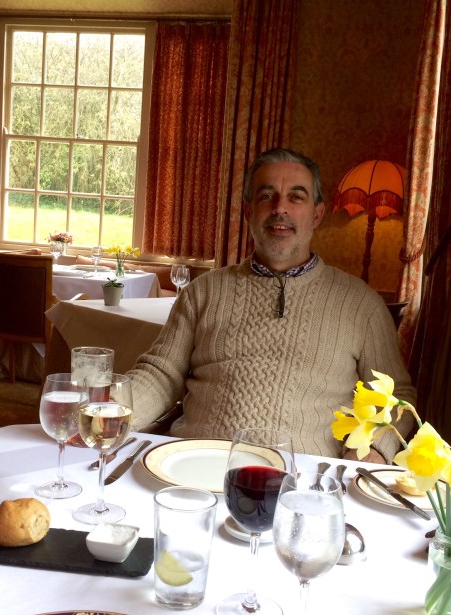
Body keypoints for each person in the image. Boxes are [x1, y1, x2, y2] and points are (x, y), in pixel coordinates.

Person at [128, 147, 415, 463]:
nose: (280, 208)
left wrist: (374, 447)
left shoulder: (361, 304)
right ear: (248, 212)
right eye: (267, 196)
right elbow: (160, 375)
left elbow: (396, 397)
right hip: (195, 465)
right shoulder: (203, 292)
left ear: (316, 214)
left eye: (296, 197)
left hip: (303, 478)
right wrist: (109, 408)